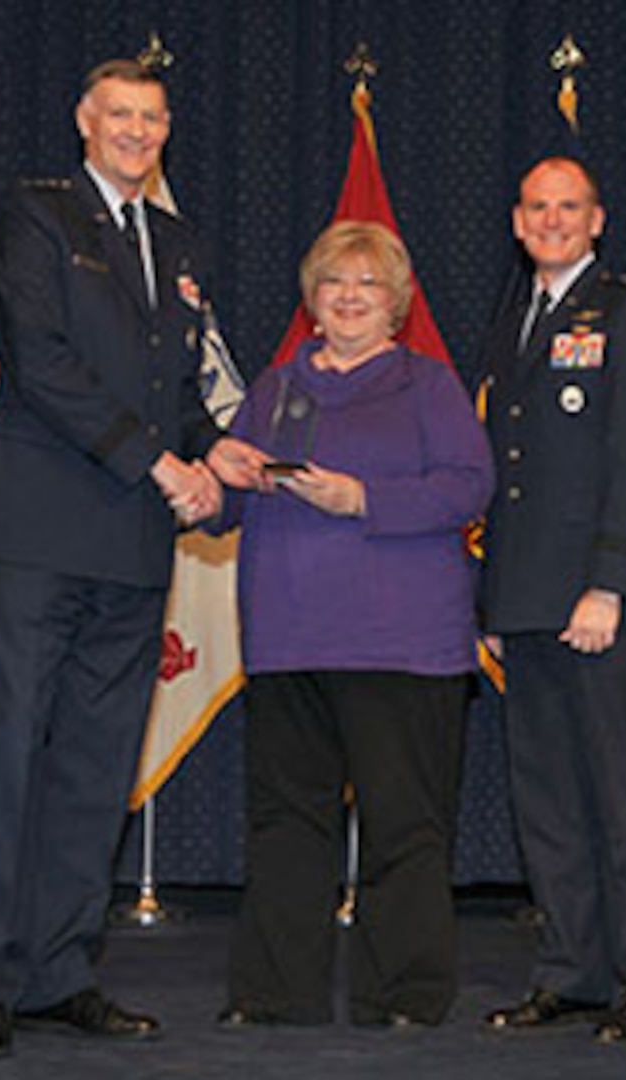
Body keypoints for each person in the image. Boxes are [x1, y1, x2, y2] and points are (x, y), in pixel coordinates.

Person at [0, 58, 268, 1059]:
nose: (136, 132)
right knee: (13, 756)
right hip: (41, 528)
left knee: (95, 767)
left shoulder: (174, 240)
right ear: (84, 122)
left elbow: (172, 379)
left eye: (152, 119)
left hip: (132, 540)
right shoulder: (33, 215)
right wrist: (162, 462)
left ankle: (59, 971)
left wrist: (215, 445)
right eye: (119, 115)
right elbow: (40, 362)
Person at [214, 221, 492, 1028]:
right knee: (284, 824)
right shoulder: (272, 390)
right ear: (312, 299)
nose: (348, 298)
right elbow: (228, 500)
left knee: (403, 827)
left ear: (395, 304)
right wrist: (210, 481)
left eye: (366, 286)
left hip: (403, 647)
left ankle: (403, 993)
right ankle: (273, 993)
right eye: (335, 283)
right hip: (287, 641)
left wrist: (363, 500)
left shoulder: (428, 385)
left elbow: (468, 487)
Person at [478, 156, 626, 1042]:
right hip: (525, 597)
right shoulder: (512, 314)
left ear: (596, 220)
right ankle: (572, 970)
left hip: (604, 601)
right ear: (519, 221)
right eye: (537, 208)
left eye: (569, 208)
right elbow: (508, 470)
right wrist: (493, 602)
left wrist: (608, 581)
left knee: (622, 796)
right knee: (549, 801)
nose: (552, 221)